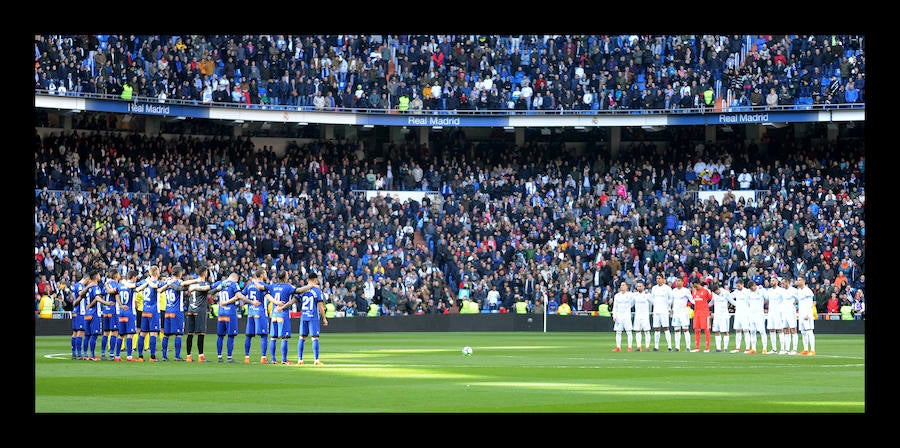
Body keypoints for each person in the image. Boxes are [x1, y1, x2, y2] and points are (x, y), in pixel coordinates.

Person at [277, 271, 327, 365]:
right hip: (313, 317)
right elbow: (320, 306)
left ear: (308, 280)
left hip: (303, 316)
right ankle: (316, 360)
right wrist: (324, 318)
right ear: (315, 280)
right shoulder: (317, 291)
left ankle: (300, 359)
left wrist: (282, 307)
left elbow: (292, 302)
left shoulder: (302, 291)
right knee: (315, 338)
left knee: (302, 337)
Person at [158, 266, 199, 361]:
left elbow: (160, 287)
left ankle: (164, 356)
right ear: (180, 274)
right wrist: (196, 281)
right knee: (179, 334)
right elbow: (185, 286)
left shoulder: (168, 281)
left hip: (167, 311)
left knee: (166, 334)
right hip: (177, 311)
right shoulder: (179, 282)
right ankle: (177, 356)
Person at [210, 272, 247, 363]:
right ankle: (229, 357)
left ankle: (219, 356)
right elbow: (237, 296)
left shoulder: (220, 283)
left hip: (221, 312)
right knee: (231, 335)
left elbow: (210, 290)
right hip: (230, 312)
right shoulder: (234, 284)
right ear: (235, 278)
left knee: (220, 335)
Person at [266, 270, 300, 364]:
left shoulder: (273, 286)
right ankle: (284, 360)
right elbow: (298, 292)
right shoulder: (288, 287)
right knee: (284, 337)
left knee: (273, 337)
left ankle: (273, 359)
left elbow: (265, 292)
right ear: (285, 277)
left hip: (274, 314)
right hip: (283, 314)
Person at [135, 265, 164, 362]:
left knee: (142, 333)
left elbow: (136, 286)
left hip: (144, 310)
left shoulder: (144, 281)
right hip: (154, 311)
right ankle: (152, 357)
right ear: (156, 273)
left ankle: (140, 356)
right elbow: (158, 287)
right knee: (153, 333)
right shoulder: (156, 282)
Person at [242, 268, 270, 364]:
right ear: (261, 275)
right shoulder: (263, 285)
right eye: (265, 273)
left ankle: (246, 357)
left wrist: (250, 302)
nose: (266, 275)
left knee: (249, 335)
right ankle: (263, 358)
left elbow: (242, 296)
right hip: (260, 312)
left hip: (250, 312)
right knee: (264, 335)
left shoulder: (249, 285)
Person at [185, 265, 213, 362]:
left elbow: (187, 288)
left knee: (190, 333)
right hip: (199, 310)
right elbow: (208, 289)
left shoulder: (192, 283)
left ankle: (188, 356)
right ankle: (201, 356)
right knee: (201, 333)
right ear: (205, 273)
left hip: (190, 310)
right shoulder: (204, 283)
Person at [114, 269, 140, 361]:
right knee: (130, 334)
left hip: (121, 312)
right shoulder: (132, 285)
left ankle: (117, 356)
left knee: (121, 334)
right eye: (136, 277)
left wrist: (121, 305)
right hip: (130, 312)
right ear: (133, 277)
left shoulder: (120, 285)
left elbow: (116, 295)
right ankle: (129, 356)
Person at [100, 268, 122, 360]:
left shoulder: (106, 284)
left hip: (106, 310)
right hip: (113, 310)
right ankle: (112, 354)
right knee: (114, 332)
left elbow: (101, 295)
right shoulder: (116, 284)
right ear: (116, 275)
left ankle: (103, 353)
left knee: (105, 332)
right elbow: (114, 293)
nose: (120, 275)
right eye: (119, 274)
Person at [82, 270, 104, 360]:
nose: (100, 276)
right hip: (95, 313)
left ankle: (85, 355)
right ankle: (92, 355)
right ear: (96, 276)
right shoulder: (96, 287)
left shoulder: (87, 288)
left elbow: (81, 294)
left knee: (87, 335)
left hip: (87, 313)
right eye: (98, 274)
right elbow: (97, 298)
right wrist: (106, 303)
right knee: (94, 335)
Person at [70, 271, 91, 360]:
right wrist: (88, 288)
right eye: (89, 280)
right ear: (87, 279)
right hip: (80, 312)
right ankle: (78, 354)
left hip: (76, 312)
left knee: (75, 333)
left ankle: (74, 353)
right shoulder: (79, 286)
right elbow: (80, 294)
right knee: (80, 332)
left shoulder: (78, 285)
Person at [650, 274, 674, 351]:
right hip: (656, 311)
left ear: (663, 279)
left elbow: (671, 298)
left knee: (666, 328)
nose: (658, 280)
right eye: (657, 278)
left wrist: (667, 305)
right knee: (656, 329)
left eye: (659, 278)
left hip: (664, 311)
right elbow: (652, 298)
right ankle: (656, 346)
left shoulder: (667, 288)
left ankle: (669, 346)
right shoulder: (654, 288)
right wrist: (655, 304)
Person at [710, 283, 735, 352]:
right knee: (716, 331)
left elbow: (732, 301)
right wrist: (705, 306)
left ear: (718, 289)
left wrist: (739, 305)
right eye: (714, 292)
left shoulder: (725, 293)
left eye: (716, 292)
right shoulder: (714, 294)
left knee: (725, 331)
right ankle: (718, 348)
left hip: (724, 315)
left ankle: (725, 348)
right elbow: (712, 302)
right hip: (717, 315)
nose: (716, 293)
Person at [688, 278, 712, 352]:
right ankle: (697, 347)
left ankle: (707, 348)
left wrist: (709, 308)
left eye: (695, 285)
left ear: (698, 283)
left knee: (706, 329)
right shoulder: (694, 291)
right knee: (696, 329)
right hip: (696, 312)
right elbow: (694, 301)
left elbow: (712, 299)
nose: (694, 287)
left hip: (704, 313)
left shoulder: (706, 290)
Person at [795, 277, 816, 355]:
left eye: (799, 280)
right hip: (801, 313)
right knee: (803, 332)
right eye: (798, 280)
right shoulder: (798, 290)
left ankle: (812, 350)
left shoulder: (808, 290)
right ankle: (806, 349)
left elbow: (811, 302)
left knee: (809, 331)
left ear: (803, 281)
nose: (798, 281)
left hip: (807, 313)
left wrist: (808, 313)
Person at [670, 278, 692, 352]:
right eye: (676, 281)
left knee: (685, 329)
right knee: (676, 330)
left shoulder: (686, 291)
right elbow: (671, 301)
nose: (677, 282)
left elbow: (691, 300)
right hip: (676, 313)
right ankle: (677, 347)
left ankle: (688, 347)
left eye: (679, 281)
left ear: (683, 282)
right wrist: (671, 310)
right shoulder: (673, 291)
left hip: (683, 312)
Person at [744, 280, 766, 354]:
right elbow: (747, 303)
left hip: (759, 313)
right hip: (751, 314)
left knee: (762, 331)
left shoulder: (761, 290)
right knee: (752, 331)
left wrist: (763, 289)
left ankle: (764, 348)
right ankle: (753, 348)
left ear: (754, 285)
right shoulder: (748, 292)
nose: (751, 289)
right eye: (750, 288)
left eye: (752, 288)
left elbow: (767, 298)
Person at [611, 282, 634, 352]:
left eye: (623, 285)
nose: (622, 286)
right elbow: (615, 306)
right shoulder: (617, 295)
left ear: (627, 287)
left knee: (629, 331)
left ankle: (629, 347)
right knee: (618, 332)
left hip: (627, 316)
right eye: (621, 285)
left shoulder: (630, 295)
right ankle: (618, 347)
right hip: (619, 316)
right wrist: (614, 315)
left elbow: (633, 302)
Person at [729, 279, 750, 353]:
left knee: (746, 330)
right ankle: (737, 348)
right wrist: (735, 304)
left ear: (742, 284)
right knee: (738, 330)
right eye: (737, 286)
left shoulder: (747, 291)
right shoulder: (736, 291)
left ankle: (747, 348)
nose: (738, 287)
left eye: (739, 286)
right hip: (738, 313)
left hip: (745, 313)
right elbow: (729, 297)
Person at [631, 280, 652, 351]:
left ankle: (647, 347)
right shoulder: (635, 295)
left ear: (643, 287)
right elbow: (631, 304)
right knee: (637, 331)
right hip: (637, 316)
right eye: (638, 286)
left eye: (640, 286)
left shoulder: (647, 295)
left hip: (645, 316)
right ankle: (638, 347)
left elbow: (653, 302)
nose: (639, 287)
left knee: (647, 331)